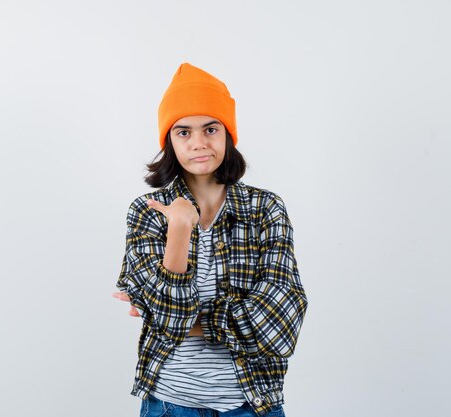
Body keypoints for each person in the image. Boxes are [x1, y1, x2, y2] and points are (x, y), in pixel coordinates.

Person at [112, 62, 308, 417]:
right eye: (183, 132)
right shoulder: (146, 212)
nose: (199, 143)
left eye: (210, 129)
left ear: (227, 134)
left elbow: (282, 323)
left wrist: (195, 322)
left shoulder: (265, 208)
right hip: (170, 403)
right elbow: (169, 321)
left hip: (252, 403)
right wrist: (180, 228)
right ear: (169, 141)